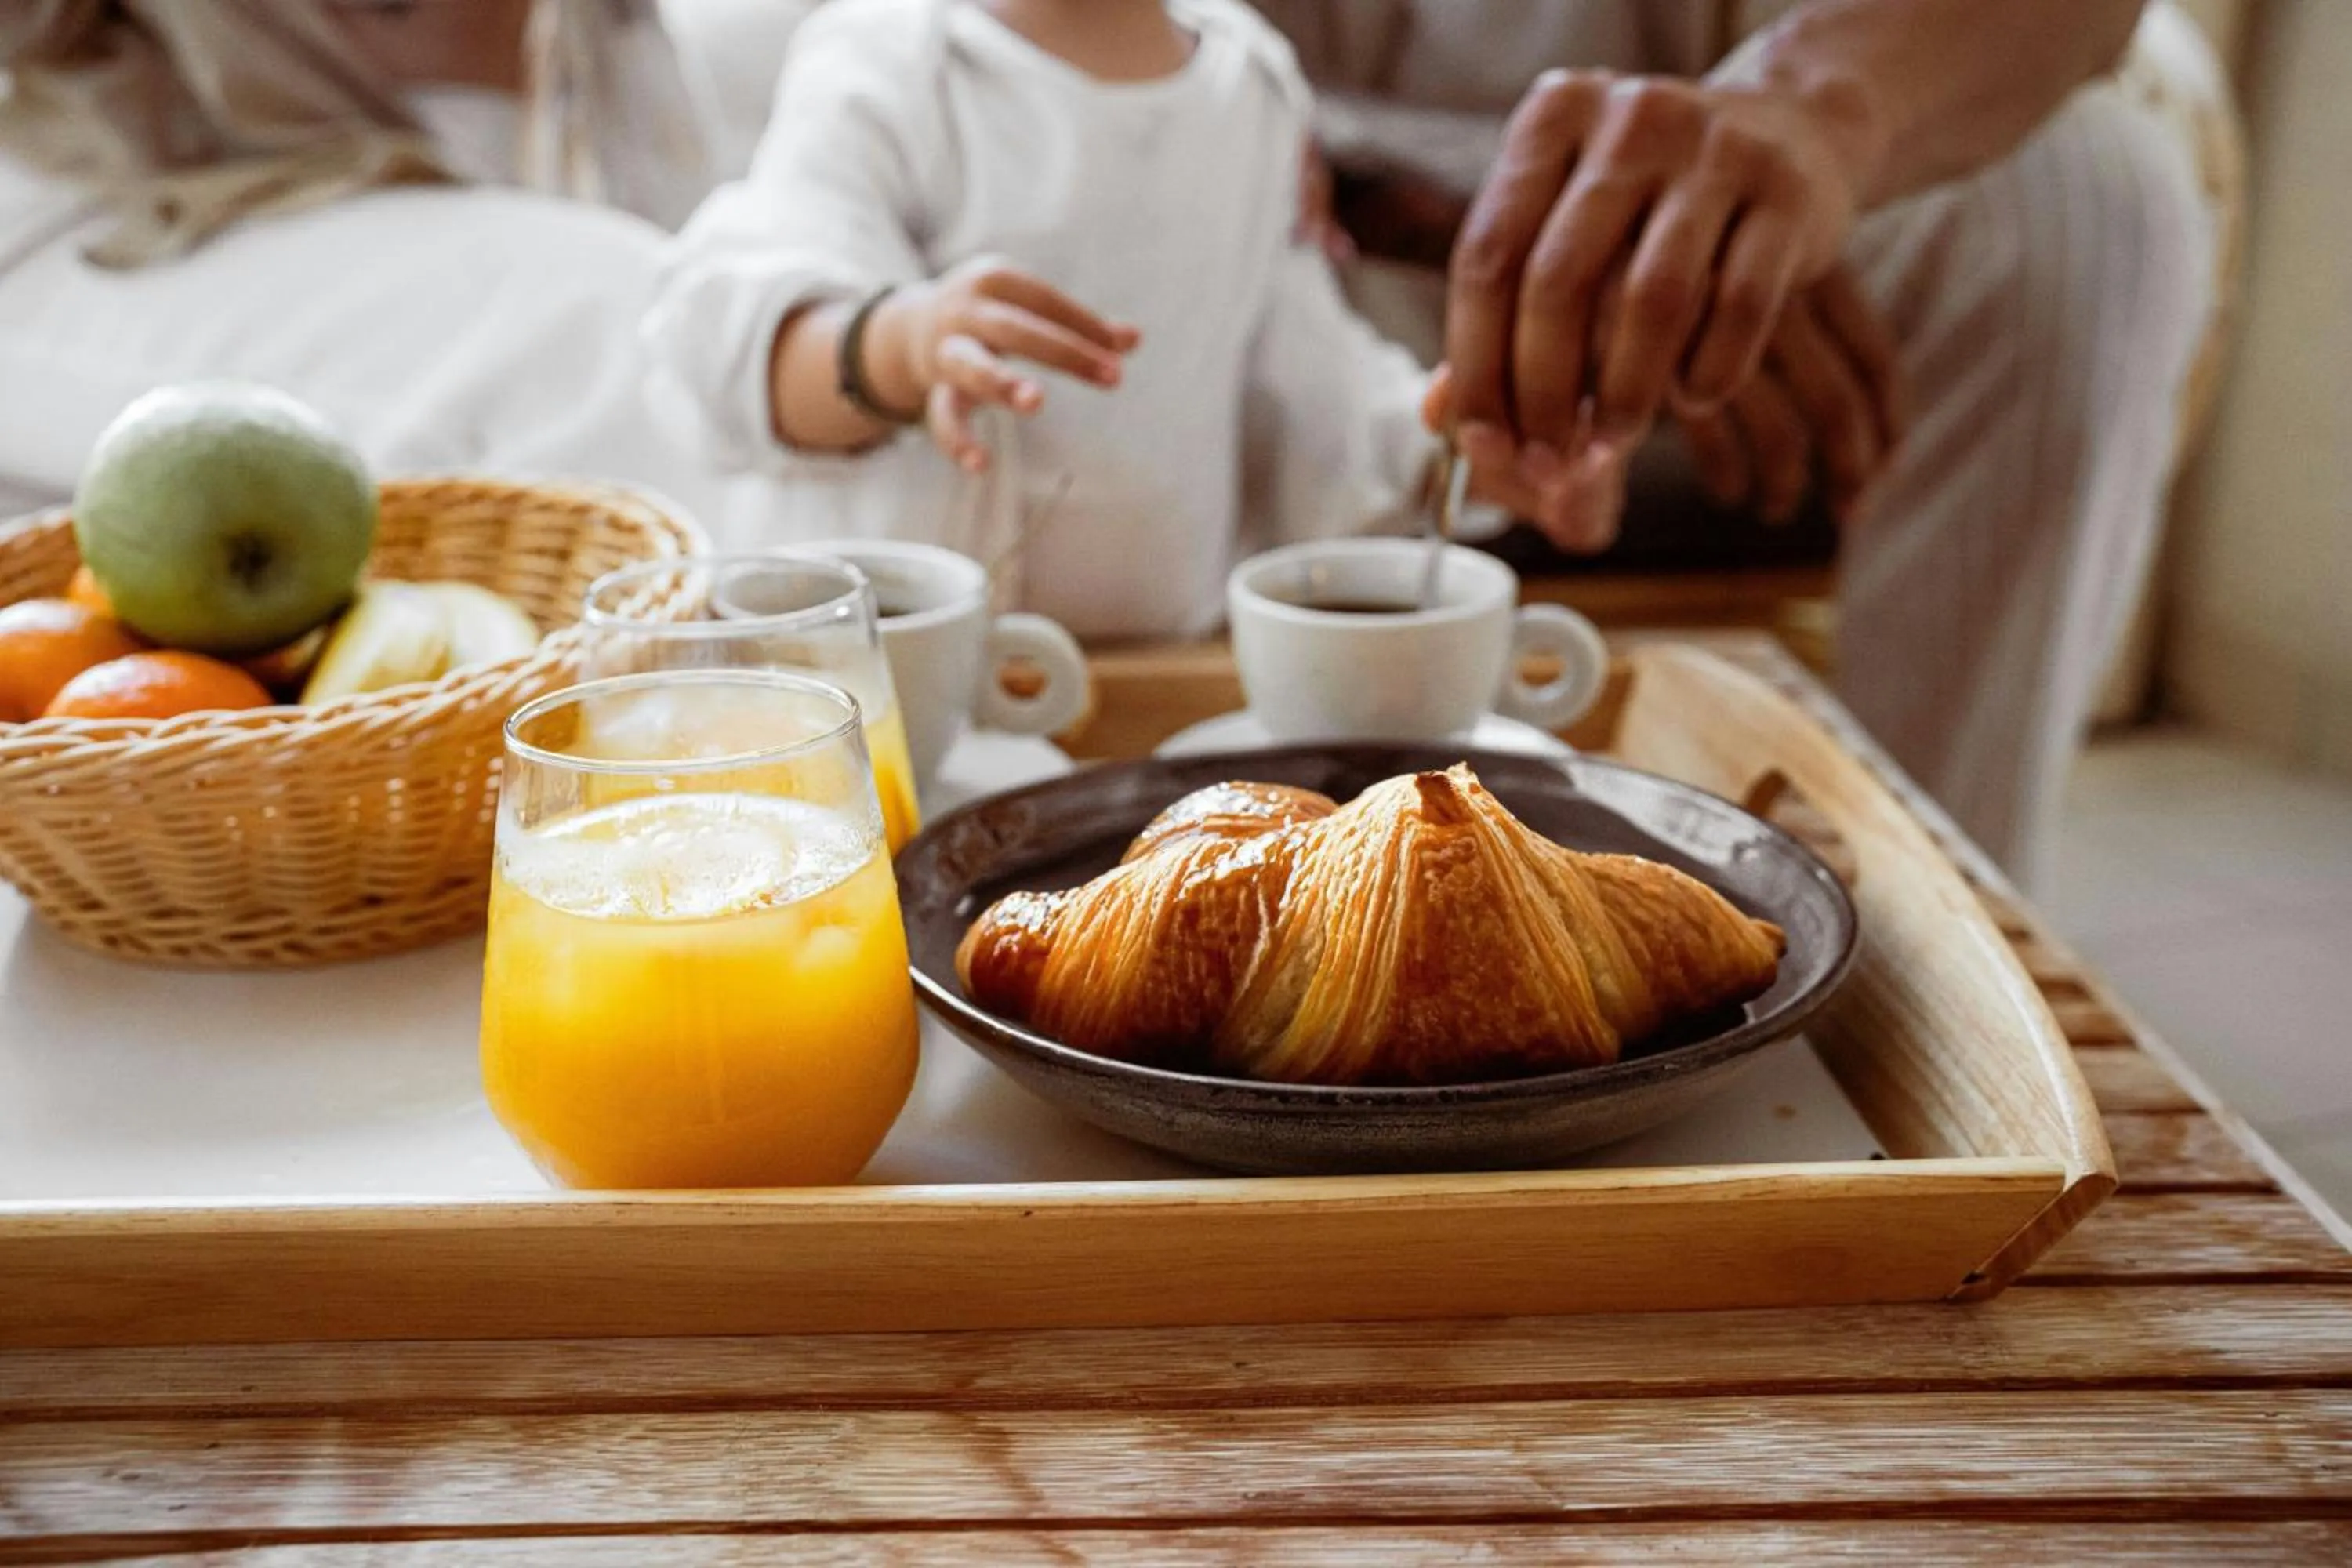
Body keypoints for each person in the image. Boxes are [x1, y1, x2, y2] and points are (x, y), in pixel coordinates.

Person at [1263, 0, 2216, 888]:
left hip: (1801, 259)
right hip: (1316, 221)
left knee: (2085, 194)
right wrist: (1591, 224)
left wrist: (1803, 132)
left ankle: (1931, 932)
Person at [643, 0, 1523, 642]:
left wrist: (1434, 442)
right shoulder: (895, 59)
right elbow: (736, 349)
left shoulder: (1251, 84)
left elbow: (1303, 372)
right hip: (885, 691)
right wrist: (899, 345)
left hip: (1145, 681)